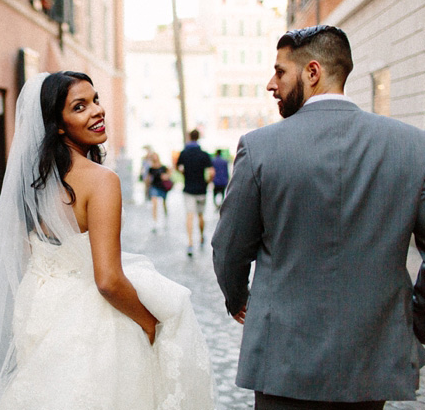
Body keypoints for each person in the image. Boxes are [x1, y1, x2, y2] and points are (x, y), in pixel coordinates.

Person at [0, 71, 214, 410]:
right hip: (91, 320)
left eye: (96, 100)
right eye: (80, 107)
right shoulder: (101, 181)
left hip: (38, 306)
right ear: (59, 125)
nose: (97, 111)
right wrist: (150, 324)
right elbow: (108, 279)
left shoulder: (33, 183)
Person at [212, 25, 425, 409]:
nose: (270, 84)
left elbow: (228, 247)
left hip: (284, 359)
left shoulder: (259, 148)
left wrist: (238, 298)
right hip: (371, 356)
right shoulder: (413, 146)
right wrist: (418, 316)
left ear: (312, 73)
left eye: (280, 72)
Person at [177, 129, 214, 257]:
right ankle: (202, 236)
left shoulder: (184, 153)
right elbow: (212, 172)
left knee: (189, 215)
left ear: (189, 137)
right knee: (200, 215)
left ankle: (190, 243)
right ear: (198, 138)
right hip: (201, 189)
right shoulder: (204, 154)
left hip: (188, 188)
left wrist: (185, 174)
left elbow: (179, 167)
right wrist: (207, 182)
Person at [147, 152, 171, 232]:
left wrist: (166, 176)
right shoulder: (151, 168)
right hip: (154, 187)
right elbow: (148, 178)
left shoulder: (163, 167)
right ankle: (154, 222)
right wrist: (147, 187)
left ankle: (165, 218)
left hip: (162, 187)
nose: (155, 158)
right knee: (154, 204)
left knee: (164, 203)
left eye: (155, 157)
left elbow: (169, 173)